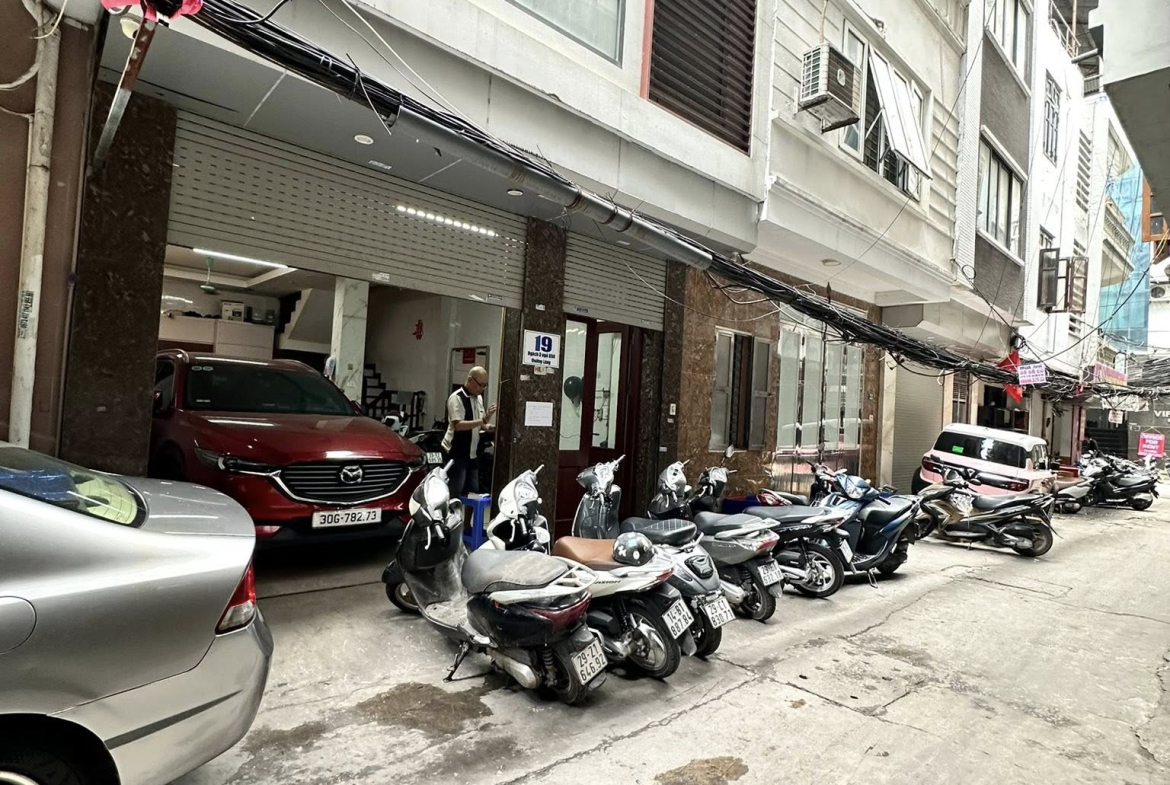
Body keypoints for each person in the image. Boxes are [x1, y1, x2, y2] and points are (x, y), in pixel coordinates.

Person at [442, 366, 497, 497]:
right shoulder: (456, 398)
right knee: (456, 491)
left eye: (485, 385)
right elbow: (458, 425)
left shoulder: (478, 398)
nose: (482, 389)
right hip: (456, 453)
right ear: (470, 380)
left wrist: (493, 427)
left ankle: (468, 512)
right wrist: (483, 420)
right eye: (480, 385)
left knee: (473, 492)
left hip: (472, 454)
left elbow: (482, 425)